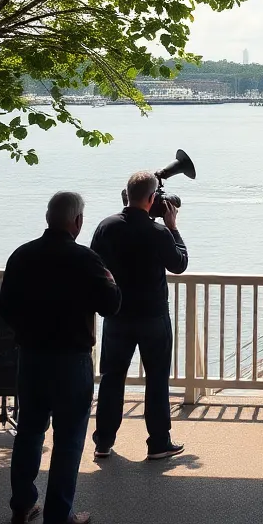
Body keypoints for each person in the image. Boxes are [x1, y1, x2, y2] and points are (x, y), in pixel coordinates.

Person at [0, 192, 121, 524]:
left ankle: (22, 506)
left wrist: (27, 331)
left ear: (48, 217)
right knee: (68, 439)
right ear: (77, 221)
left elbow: (5, 307)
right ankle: (58, 516)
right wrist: (110, 280)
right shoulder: (86, 259)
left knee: (30, 432)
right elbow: (111, 306)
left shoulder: (22, 255)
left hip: (32, 357)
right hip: (71, 360)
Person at [90, 170, 189, 460]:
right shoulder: (158, 232)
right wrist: (172, 227)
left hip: (117, 315)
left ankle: (103, 442)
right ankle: (158, 443)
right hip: (153, 316)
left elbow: (94, 265)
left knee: (111, 377)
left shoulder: (106, 226)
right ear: (152, 198)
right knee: (157, 378)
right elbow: (179, 263)